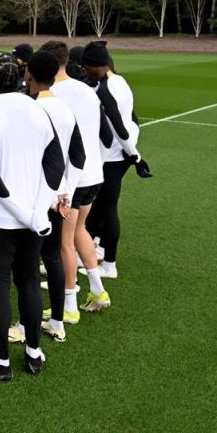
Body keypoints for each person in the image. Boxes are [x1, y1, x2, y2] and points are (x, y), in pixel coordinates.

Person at [0, 52, 64, 382]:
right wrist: (35, 211)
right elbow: (55, 163)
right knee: (29, 281)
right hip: (32, 220)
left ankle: (0, 361)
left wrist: (26, 211)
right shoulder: (36, 109)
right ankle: (33, 353)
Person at [8, 50, 86, 345]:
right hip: (57, 196)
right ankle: (56, 322)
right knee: (51, 257)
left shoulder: (28, 109)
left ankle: (25, 326)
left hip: (32, 197)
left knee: (27, 267)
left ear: (28, 74)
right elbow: (78, 156)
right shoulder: (65, 109)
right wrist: (66, 191)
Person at [40, 41, 111, 322]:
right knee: (80, 229)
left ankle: (69, 306)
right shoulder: (87, 89)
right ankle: (98, 290)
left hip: (74, 177)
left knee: (64, 242)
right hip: (95, 173)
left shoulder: (53, 94)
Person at [83, 41, 151, 279]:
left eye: (86, 67)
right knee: (99, 209)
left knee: (107, 209)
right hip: (118, 154)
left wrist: (136, 156)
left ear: (96, 66)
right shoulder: (119, 81)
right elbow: (131, 120)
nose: (84, 71)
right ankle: (93, 252)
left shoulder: (104, 91)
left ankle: (109, 265)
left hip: (113, 157)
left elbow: (119, 128)